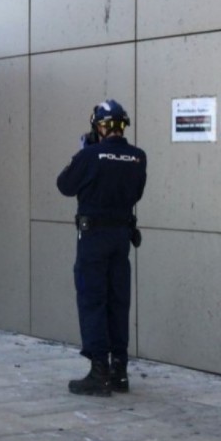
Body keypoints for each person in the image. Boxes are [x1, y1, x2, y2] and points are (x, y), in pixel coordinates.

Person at [56, 99, 147, 396]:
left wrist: (84, 154)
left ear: (99, 126)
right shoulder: (138, 157)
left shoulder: (90, 156)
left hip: (93, 239)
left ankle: (99, 372)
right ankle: (120, 371)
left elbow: (65, 185)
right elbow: (137, 193)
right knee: (118, 301)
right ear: (123, 125)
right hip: (121, 238)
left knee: (93, 300)